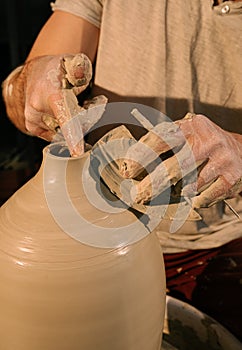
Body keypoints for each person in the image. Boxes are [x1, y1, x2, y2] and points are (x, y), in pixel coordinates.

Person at [2, 0, 242, 341]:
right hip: (98, 230)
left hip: (224, 236)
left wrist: (237, 149)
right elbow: (25, 96)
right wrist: (30, 83)